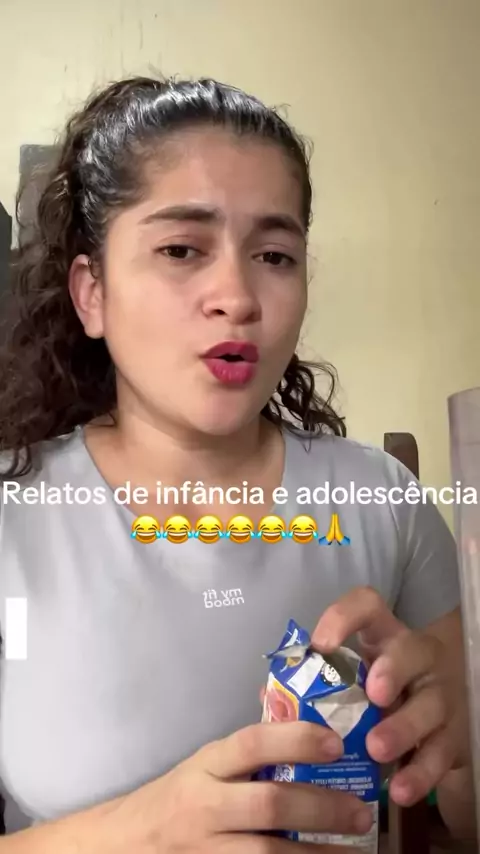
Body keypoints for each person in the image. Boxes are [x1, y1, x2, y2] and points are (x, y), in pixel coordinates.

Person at [0, 75, 474, 850]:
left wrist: (466, 747)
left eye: (275, 255)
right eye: (181, 249)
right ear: (92, 295)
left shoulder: (384, 506)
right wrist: (142, 830)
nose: (238, 296)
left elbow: (463, 819)